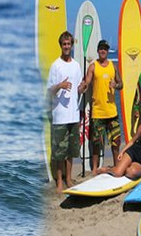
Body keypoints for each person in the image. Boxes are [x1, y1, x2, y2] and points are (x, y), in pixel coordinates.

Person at [47, 31, 88, 193]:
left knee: (71, 150)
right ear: (61, 45)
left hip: (73, 114)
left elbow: (77, 88)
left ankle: (69, 179)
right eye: (64, 44)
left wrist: (82, 88)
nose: (66, 47)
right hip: (60, 116)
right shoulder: (56, 65)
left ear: (72, 45)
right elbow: (49, 90)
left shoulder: (76, 65)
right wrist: (60, 86)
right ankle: (59, 182)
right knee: (59, 152)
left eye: (68, 44)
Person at [82, 40, 122, 173]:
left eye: (105, 49)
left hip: (112, 112)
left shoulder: (113, 66)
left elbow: (121, 84)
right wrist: (83, 86)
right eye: (101, 49)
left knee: (116, 141)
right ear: (98, 51)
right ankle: (94, 169)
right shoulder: (93, 67)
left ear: (107, 51)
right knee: (96, 142)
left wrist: (115, 86)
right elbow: (87, 82)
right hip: (98, 112)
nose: (103, 51)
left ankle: (116, 166)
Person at [95, 104, 141, 179]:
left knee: (131, 173)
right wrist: (122, 152)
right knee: (118, 173)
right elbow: (132, 141)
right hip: (132, 153)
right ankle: (107, 169)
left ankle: (123, 166)